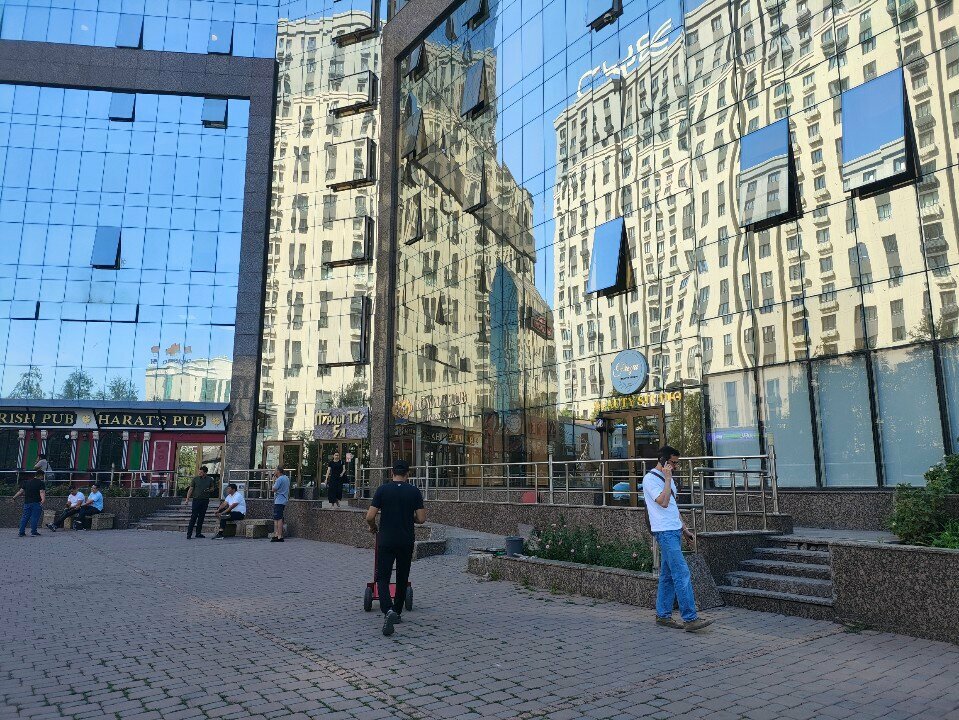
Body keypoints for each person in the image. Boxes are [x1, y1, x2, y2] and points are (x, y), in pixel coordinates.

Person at [642, 446, 712, 632]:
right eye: (673, 463)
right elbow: (663, 503)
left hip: (673, 530)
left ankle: (663, 615)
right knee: (681, 573)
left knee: (667, 576)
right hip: (664, 531)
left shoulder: (669, 479)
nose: (676, 466)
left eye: (676, 463)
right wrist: (667, 479)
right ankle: (690, 618)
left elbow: (673, 507)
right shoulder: (650, 479)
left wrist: (685, 530)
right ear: (663, 461)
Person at [365, 459, 426, 636]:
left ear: (392, 473)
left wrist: (373, 527)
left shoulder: (382, 490)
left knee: (382, 577)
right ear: (408, 474)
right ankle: (397, 612)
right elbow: (421, 519)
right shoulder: (414, 491)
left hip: (386, 540)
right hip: (406, 540)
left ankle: (388, 610)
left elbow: (369, 516)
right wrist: (408, 517)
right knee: (402, 576)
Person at [183, 465, 214, 539]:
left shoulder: (210, 479)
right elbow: (190, 489)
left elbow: (212, 488)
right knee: (194, 516)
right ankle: (189, 534)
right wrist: (187, 499)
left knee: (201, 517)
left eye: (201, 472)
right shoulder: (195, 479)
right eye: (199, 472)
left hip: (205, 500)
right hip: (196, 500)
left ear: (205, 473)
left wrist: (209, 490)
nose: (199, 473)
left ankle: (198, 533)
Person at [13, 471, 46, 537]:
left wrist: (14, 497)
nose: (43, 477)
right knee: (34, 517)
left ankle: (21, 532)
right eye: (43, 476)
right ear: (40, 475)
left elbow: (20, 491)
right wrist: (43, 499)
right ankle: (33, 532)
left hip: (27, 503)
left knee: (24, 517)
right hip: (36, 503)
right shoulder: (41, 483)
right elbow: (42, 492)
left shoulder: (26, 482)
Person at [271, 467, 290, 542]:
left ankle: (279, 536)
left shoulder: (279, 479)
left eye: (275, 470)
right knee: (278, 517)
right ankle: (277, 534)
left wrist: (273, 481)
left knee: (278, 518)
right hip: (284, 499)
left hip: (279, 500)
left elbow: (274, 489)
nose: (274, 472)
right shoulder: (286, 478)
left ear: (278, 471)